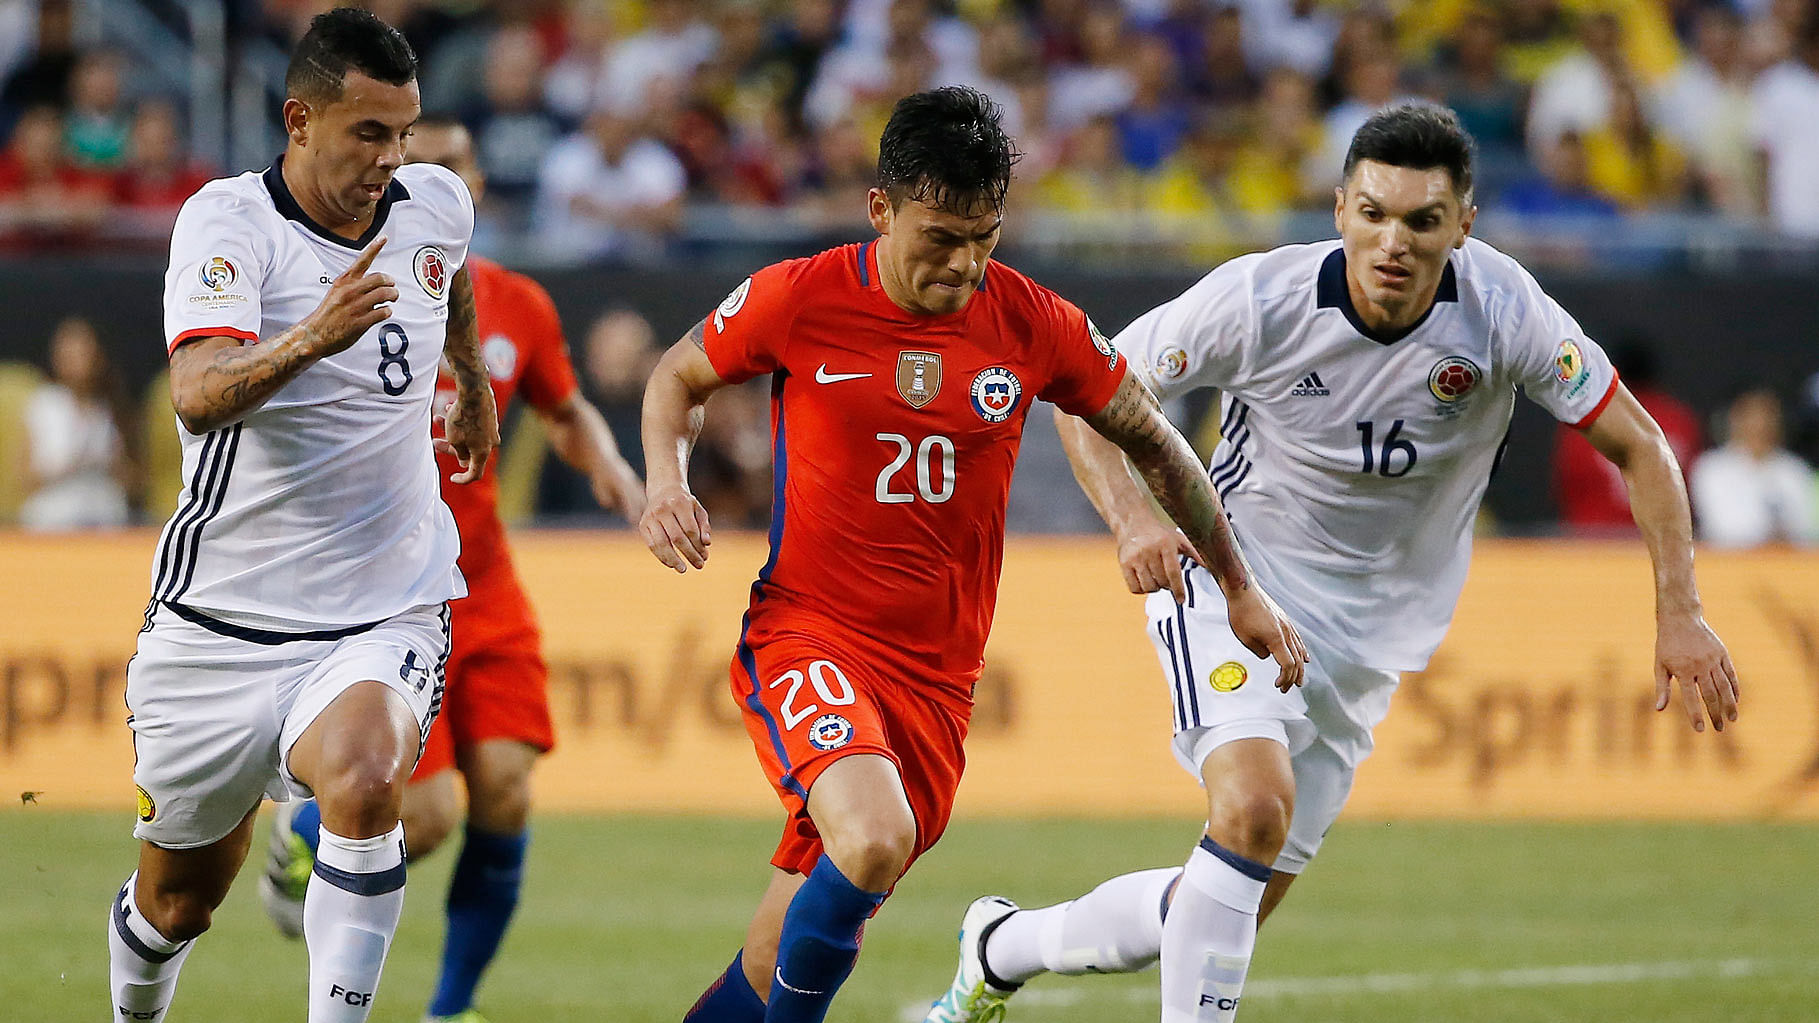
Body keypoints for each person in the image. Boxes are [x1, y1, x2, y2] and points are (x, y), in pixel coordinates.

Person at [924, 103, 1740, 1023]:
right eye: (1372, 212)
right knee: (1252, 809)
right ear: (1340, 208)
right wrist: (1133, 520)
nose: (1393, 240)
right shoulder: (1257, 301)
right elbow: (1085, 396)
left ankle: (998, 947)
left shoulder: (1503, 310)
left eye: (1422, 221)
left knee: (1220, 899)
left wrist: (1680, 608)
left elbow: (1641, 446)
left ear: (1462, 226)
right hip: (1232, 579)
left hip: (1365, 645)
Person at [639, 85, 1306, 1023]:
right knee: (872, 838)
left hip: (936, 683)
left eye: (984, 237)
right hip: (809, 633)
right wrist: (666, 482)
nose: (963, 263)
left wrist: (1234, 582)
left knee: (770, 956)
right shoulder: (801, 297)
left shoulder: (1032, 321)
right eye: (940, 237)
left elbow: (1154, 437)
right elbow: (679, 374)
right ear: (882, 209)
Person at [107, 10, 498, 1023]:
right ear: (298, 119)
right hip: (221, 620)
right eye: (368, 133)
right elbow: (196, 390)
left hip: (384, 601)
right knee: (178, 903)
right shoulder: (228, 225)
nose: (392, 160)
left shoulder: (433, 203)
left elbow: (444, 277)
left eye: (403, 133)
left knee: (368, 782)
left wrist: (468, 377)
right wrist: (310, 340)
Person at [257, 113, 646, 1023]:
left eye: (456, 171)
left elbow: (564, 405)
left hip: (487, 582)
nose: (440, 186)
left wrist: (621, 474)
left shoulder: (519, 303)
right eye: (420, 168)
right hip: (385, 588)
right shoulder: (342, 290)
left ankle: (451, 1009)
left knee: (506, 788)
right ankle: (305, 826)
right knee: (423, 817)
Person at [20, 315, 135, 531]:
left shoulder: (110, 407)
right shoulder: (44, 404)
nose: (79, 361)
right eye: (70, 353)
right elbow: (25, 477)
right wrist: (66, 466)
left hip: (104, 519)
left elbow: (133, 479)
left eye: (85, 352)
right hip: (53, 521)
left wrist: (111, 466)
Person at [1690, 388, 1819, 548]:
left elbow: (1807, 529)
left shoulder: (1796, 471)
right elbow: (1720, 526)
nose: (1760, 425)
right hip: (1729, 564)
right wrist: (1766, 534)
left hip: (1789, 564)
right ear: (1734, 420)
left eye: (1767, 417)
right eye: (1751, 417)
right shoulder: (1711, 468)